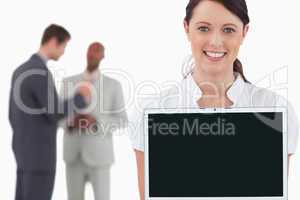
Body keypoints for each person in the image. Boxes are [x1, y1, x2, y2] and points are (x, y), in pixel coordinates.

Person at [130, 1, 299, 199]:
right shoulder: (152, 109)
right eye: (203, 28)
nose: (216, 42)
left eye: (228, 30)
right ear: (186, 28)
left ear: (244, 32)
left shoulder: (276, 109)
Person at [8, 24, 91, 200]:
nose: (63, 52)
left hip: (23, 152)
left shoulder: (19, 71)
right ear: (54, 41)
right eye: (64, 46)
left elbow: (12, 115)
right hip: (39, 156)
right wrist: (80, 98)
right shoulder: (38, 71)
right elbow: (55, 111)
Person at [60, 42, 128, 200]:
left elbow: (122, 120)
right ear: (85, 53)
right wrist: (70, 123)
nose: (92, 54)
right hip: (73, 155)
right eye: (90, 50)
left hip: (100, 156)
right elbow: (57, 115)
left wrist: (96, 121)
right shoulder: (68, 82)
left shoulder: (113, 85)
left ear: (103, 56)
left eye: (97, 51)